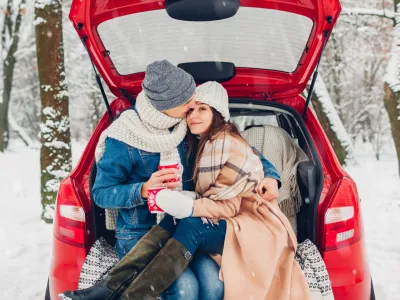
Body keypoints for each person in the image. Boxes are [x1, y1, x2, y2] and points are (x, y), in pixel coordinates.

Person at [62, 62, 281, 300]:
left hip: (187, 226)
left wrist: (271, 176)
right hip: (141, 234)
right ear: (168, 105)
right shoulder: (124, 136)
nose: (193, 104)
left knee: (213, 285)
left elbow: (243, 154)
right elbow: (102, 193)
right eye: (187, 101)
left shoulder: (187, 126)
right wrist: (143, 190)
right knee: (185, 289)